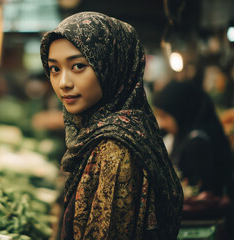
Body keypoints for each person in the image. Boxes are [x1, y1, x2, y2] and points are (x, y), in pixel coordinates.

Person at [40, 12, 183, 239]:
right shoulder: (123, 128)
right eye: (55, 69)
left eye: (78, 66)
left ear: (112, 66)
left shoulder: (115, 148)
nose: (63, 83)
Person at [153, 80, 233, 198]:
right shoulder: (182, 134)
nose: (162, 123)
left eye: (164, 116)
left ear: (180, 111)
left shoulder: (197, 144)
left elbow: (201, 195)